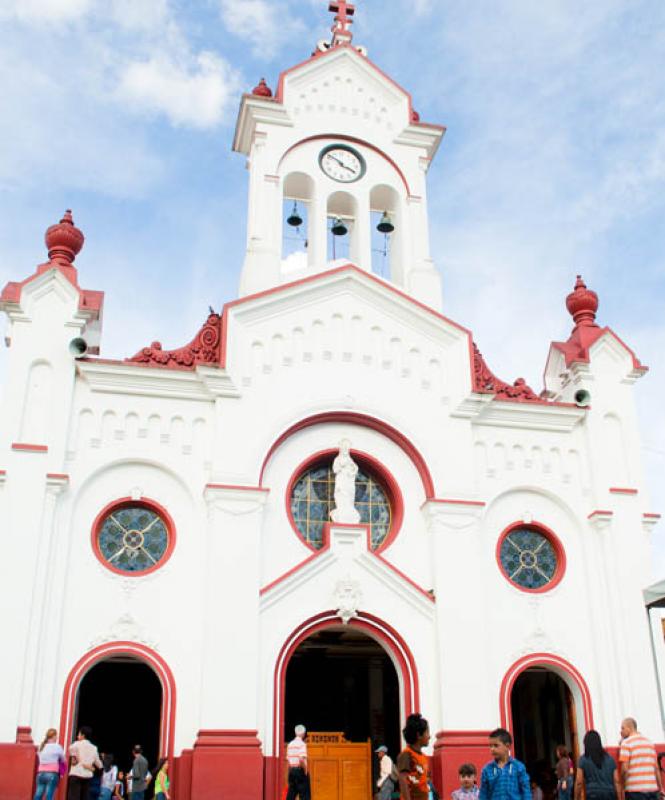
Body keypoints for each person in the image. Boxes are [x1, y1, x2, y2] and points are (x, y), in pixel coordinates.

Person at [619, 717, 664, 800]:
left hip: (634, 791)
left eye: (623, 728)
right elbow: (656, 768)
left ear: (629, 728)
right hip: (652, 789)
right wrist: (661, 788)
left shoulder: (626, 743)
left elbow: (625, 769)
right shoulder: (649, 743)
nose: (620, 731)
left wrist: (622, 785)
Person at [479, 728, 531, 800]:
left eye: (496, 745)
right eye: (490, 746)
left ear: (508, 746)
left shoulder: (519, 767)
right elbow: (483, 795)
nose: (492, 749)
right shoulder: (487, 769)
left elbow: (526, 792)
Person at [574, 730, 620, 800]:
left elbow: (579, 782)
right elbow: (617, 781)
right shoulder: (610, 759)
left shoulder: (583, 759)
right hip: (610, 793)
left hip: (593, 794)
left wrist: (576, 798)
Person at [397, 712, 431, 800]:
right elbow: (402, 779)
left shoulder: (423, 756)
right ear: (419, 735)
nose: (429, 736)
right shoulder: (406, 755)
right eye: (427, 732)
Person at [68, 726, 103, 800]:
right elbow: (99, 765)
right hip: (87, 777)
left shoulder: (76, 744)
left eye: (79, 734)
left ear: (83, 735)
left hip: (76, 774)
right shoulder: (94, 748)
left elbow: (71, 753)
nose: (77, 736)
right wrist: (94, 768)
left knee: (73, 797)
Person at [33, 728, 66, 800]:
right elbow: (63, 760)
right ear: (53, 736)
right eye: (56, 735)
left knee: (38, 795)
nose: (57, 737)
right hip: (52, 774)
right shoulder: (57, 747)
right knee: (49, 796)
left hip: (40, 774)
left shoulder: (41, 747)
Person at [286, 724, 310, 800]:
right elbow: (301, 759)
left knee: (291, 795)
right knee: (304, 795)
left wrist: (289, 772)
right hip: (300, 771)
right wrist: (305, 770)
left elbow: (288, 761)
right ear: (303, 734)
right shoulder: (302, 744)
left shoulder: (290, 745)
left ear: (295, 733)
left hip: (292, 771)